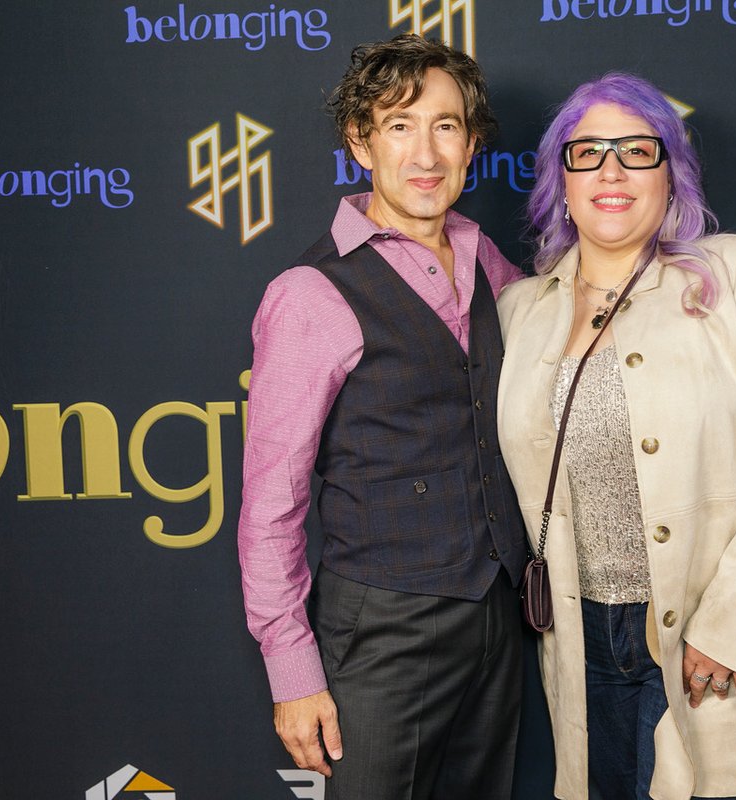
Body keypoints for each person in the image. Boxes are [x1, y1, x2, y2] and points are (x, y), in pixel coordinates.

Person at [496, 73, 736, 800]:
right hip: (580, 638)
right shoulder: (518, 311)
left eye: (637, 151)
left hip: (708, 639)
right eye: (587, 153)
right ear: (561, 180)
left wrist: (730, 622)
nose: (611, 171)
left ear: (672, 173)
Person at [238, 34, 527, 800]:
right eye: (399, 125)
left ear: (470, 144)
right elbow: (272, 504)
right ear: (361, 143)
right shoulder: (309, 295)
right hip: (384, 629)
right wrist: (292, 671)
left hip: (499, 617)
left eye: (445, 125)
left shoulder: (488, 259)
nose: (425, 152)